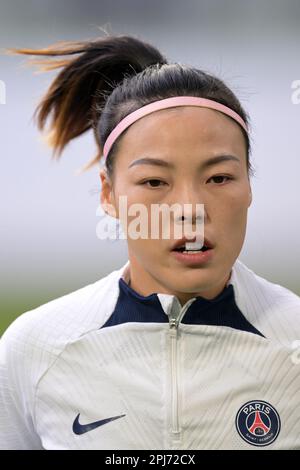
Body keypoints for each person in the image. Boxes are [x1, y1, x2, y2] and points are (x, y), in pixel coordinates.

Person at [0, 34, 299, 450]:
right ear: (108, 194)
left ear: (249, 185)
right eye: (155, 181)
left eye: (219, 178)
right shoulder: (34, 347)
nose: (191, 209)